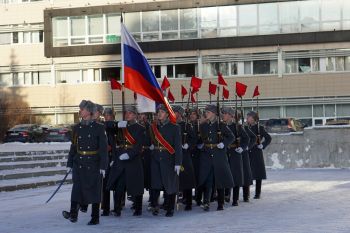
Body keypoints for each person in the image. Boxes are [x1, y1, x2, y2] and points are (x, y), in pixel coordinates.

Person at [63, 100, 108, 225]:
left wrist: (103, 166)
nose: (80, 111)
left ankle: (95, 217)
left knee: (95, 191)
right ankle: (73, 214)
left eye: (82, 109)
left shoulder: (99, 128)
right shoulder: (76, 128)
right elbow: (73, 147)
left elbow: (103, 149)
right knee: (76, 189)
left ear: (89, 111)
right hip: (79, 163)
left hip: (93, 163)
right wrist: (70, 163)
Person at [107, 105, 145, 216]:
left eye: (130, 113)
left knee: (136, 186)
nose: (127, 115)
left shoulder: (140, 128)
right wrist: (116, 124)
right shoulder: (121, 126)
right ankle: (117, 209)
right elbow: (106, 126)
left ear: (135, 115)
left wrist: (129, 154)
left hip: (133, 160)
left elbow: (138, 146)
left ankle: (138, 209)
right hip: (121, 159)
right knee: (119, 185)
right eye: (126, 113)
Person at [197, 104, 235, 211]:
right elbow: (203, 139)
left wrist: (224, 143)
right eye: (206, 112)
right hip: (207, 154)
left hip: (218, 154)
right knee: (207, 179)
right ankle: (206, 202)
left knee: (220, 179)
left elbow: (231, 137)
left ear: (214, 113)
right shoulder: (203, 125)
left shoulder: (221, 125)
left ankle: (220, 203)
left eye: (208, 112)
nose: (206, 114)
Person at [149, 104, 182, 217]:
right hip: (156, 159)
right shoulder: (154, 127)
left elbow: (177, 147)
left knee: (170, 185)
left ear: (167, 114)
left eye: (162, 112)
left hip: (169, 159)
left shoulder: (174, 127)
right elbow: (150, 140)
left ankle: (170, 208)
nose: (159, 114)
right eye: (158, 112)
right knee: (155, 184)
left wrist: (178, 163)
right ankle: (155, 206)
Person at [222, 107, 249, 206]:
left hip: (235, 152)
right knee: (226, 174)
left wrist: (242, 147)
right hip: (224, 152)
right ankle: (226, 195)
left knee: (236, 176)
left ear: (230, 115)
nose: (223, 115)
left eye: (225, 113)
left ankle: (235, 198)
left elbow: (246, 138)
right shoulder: (221, 126)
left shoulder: (238, 127)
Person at [173, 105, 196, 211]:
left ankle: (189, 202)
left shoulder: (186, 125)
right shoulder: (171, 125)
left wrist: (188, 145)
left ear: (180, 114)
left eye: (176, 112)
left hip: (185, 154)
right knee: (173, 179)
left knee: (187, 179)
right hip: (173, 154)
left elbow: (194, 138)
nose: (173, 113)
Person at [246, 111, 272, 199]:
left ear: (253, 118)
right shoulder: (245, 127)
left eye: (248, 117)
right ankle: (247, 193)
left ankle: (257, 193)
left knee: (258, 174)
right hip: (247, 151)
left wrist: (263, 145)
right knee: (247, 173)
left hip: (256, 151)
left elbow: (268, 138)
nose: (247, 118)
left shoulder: (259, 128)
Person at [101, 108, 117, 216]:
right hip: (105, 159)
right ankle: (105, 208)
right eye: (105, 115)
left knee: (116, 185)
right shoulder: (102, 127)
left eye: (108, 115)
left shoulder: (115, 126)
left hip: (114, 158)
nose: (106, 117)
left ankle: (117, 207)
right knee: (105, 186)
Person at [188, 108, 203, 206]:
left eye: (194, 114)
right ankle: (187, 197)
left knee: (199, 176)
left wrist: (201, 142)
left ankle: (198, 197)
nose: (192, 115)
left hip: (199, 153)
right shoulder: (188, 125)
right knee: (189, 175)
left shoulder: (201, 125)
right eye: (191, 114)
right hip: (189, 152)